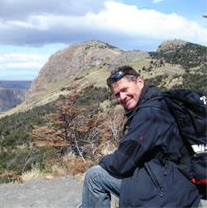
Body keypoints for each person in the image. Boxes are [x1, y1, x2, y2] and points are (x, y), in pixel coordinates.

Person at [81, 66, 200, 207]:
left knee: (94, 176)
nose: (122, 97)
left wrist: (103, 160)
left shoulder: (149, 114)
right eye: (117, 94)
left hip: (168, 191)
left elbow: (122, 163)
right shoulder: (157, 100)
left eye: (125, 90)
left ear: (140, 81)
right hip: (177, 180)